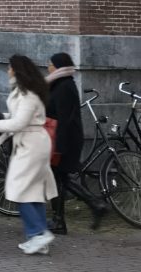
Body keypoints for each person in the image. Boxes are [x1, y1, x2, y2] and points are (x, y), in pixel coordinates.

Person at [0, 54, 57, 256]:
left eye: (9, 67)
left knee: (19, 189)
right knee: (34, 190)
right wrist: (4, 116)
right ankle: (38, 238)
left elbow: (20, 123)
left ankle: (38, 233)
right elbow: (22, 117)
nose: (7, 70)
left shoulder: (28, 94)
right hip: (32, 142)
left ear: (16, 70)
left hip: (31, 145)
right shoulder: (26, 91)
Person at [45, 52, 108, 233]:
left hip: (64, 139)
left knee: (60, 178)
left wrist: (60, 146)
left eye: (50, 64)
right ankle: (61, 221)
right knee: (60, 178)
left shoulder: (64, 86)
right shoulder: (60, 83)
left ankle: (94, 205)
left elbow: (65, 119)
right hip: (61, 138)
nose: (48, 67)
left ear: (57, 66)